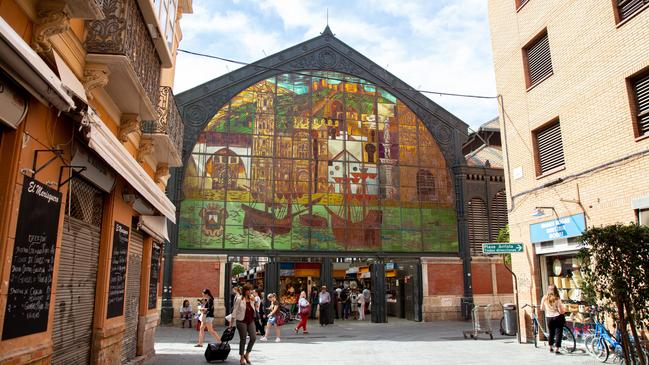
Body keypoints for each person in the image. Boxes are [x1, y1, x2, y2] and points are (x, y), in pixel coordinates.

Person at [231, 284, 256, 365]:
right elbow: (234, 311)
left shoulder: (252, 298)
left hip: (250, 320)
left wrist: (254, 301)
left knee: (253, 338)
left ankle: (247, 354)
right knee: (243, 339)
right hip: (241, 321)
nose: (250, 292)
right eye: (248, 290)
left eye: (250, 290)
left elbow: (254, 308)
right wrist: (231, 324)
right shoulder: (239, 299)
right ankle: (242, 358)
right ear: (245, 291)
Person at [540, 285, 566, 354]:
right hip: (557, 317)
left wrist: (548, 309)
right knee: (558, 333)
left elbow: (542, 308)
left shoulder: (544, 298)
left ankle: (550, 347)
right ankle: (557, 349)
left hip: (549, 317)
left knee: (551, 333)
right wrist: (564, 311)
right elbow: (560, 311)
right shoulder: (557, 298)